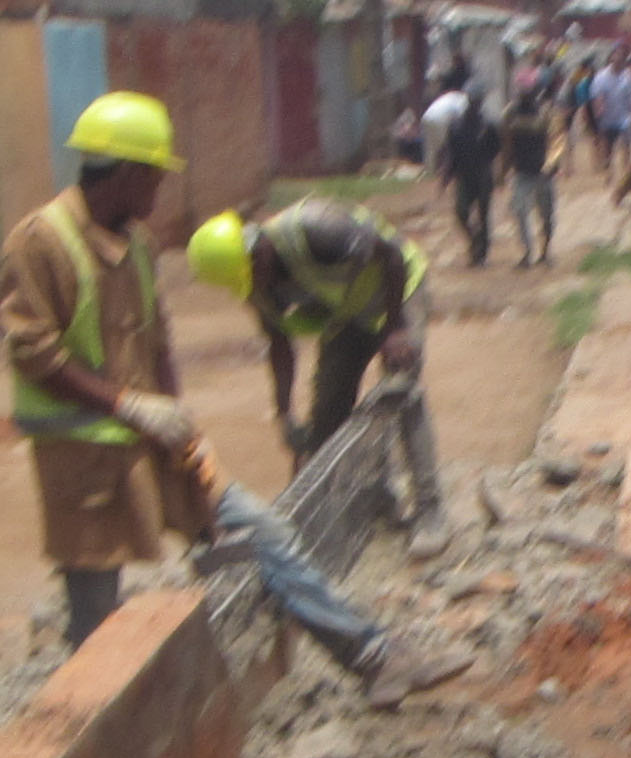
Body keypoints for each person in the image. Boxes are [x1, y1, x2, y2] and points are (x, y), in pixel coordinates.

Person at [0, 92, 455, 699]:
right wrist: (125, 405)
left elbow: (156, 338)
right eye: (155, 175)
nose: (160, 190)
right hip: (84, 461)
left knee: (264, 533)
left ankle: (373, 657)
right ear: (129, 173)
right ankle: (90, 732)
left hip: (157, 442)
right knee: (94, 612)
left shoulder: (136, 246)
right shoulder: (40, 242)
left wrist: (177, 415)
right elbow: (33, 350)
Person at [189, 195, 452, 558]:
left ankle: (430, 511)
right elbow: (280, 344)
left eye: (253, 275)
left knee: (400, 390)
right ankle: (370, 499)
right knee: (327, 416)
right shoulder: (255, 282)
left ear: (258, 251)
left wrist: (394, 329)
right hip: (348, 311)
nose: (255, 287)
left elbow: (390, 255)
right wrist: (284, 414)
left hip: (397, 290)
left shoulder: (316, 229)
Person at [499, 74, 561, 270]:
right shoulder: (510, 113)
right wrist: (503, 171)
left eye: (528, 91)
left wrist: (552, 165)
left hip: (543, 172)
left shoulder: (546, 112)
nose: (525, 95)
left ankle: (545, 250)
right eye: (522, 92)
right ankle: (527, 252)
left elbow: (556, 141)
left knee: (546, 215)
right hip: (521, 172)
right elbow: (506, 144)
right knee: (520, 213)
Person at [442, 84, 502, 266]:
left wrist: (491, 168)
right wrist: (447, 175)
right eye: (472, 100)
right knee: (461, 212)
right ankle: (474, 238)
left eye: (478, 100)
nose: (475, 104)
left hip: (482, 174)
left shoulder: (488, 124)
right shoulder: (456, 125)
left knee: (484, 215)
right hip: (463, 175)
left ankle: (481, 255)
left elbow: (496, 149)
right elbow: (451, 152)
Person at [587, 55, 631, 193]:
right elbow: (596, 96)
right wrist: (599, 110)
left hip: (625, 117)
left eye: (621, 59)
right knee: (608, 150)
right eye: (617, 59)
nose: (619, 62)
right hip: (608, 118)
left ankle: (626, 174)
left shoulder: (628, 76)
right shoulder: (601, 77)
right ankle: (609, 174)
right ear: (611, 60)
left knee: (627, 147)